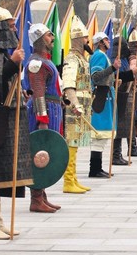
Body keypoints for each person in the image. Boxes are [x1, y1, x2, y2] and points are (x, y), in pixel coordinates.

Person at [0, 4, 32, 237]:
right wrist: (12, 63)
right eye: (9, 26)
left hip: (5, 117)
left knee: (0, 172)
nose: (14, 29)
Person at [23, 23, 63, 212]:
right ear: (39, 39)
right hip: (43, 109)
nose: (53, 38)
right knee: (40, 153)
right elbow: (38, 93)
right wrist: (43, 119)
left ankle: (42, 195)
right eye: (48, 35)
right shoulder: (36, 63)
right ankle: (36, 199)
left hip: (51, 108)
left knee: (47, 153)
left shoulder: (44, 60)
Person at [61, 16, 92, 193]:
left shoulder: (82, 59)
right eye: (86, 38)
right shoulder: (72, 59)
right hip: (75, 107)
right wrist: (75, 104)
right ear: (80, 39)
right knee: (72, 142)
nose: (88, 41)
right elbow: (69, 84)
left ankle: (74, 178)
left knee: (77, 143)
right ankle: (68, 181)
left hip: (83, 106)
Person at [110, 36, 137, 164]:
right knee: (119, 126)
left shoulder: (125, 60)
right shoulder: (115, 60)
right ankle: (116, 155)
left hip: (125, 95)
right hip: (119, 95)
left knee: (125, 125)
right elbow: (119, 77)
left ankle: (120, 153)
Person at [89, 32, 121, 178]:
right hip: (101, 97)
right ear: (100, 42)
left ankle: (97, 167)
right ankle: (94, 168)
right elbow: (95, 77)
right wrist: (113, 68)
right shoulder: (99, 55)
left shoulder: (102, 55)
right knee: (99, 134)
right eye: (106, 39)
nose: (109, 41)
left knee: (102, 135)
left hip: (106, 95)